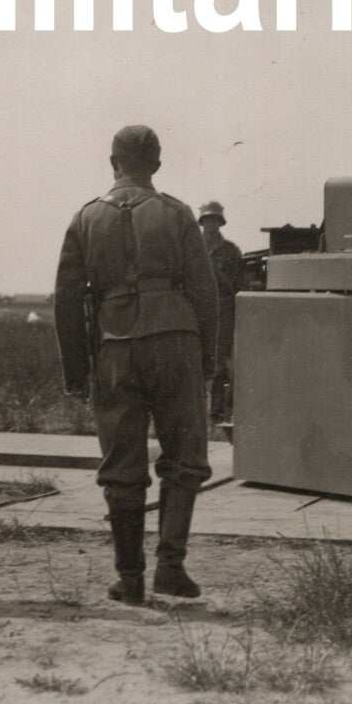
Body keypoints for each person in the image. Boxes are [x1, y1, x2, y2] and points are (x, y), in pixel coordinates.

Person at [54, 124, 219, 603]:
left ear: (113, 162)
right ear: (157, 165)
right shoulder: (177, 213)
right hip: (175, 342)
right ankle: (170, 566)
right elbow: (205, 294)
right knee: (185, 458)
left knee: (122, 464)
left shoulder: (85, 218)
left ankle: (129, 579)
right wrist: (207, 356)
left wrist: (74, 370)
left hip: (113, 347)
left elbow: (65, 301)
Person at [197, 201, 244, 425]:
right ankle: (193, 414)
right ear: (202, 222)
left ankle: (215, 414)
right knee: (192, 362)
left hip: (222, 311)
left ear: (220, 222)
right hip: (196, 310)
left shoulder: (231, 251)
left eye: (215, 220)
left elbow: (240, 285)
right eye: (207, 220)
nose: (211, 225)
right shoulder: (192, 248)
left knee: (219, 365)